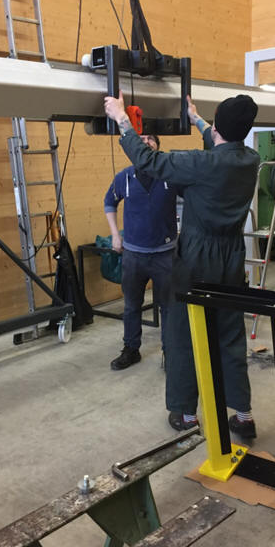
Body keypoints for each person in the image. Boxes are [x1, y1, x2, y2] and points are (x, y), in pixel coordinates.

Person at [104, 91, 260, 438]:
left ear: (218, 127)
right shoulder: (250, 159)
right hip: (232, 257)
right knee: (230, 333)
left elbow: (149, 161)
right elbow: (220, 142)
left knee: (183, 335)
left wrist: (122, 120)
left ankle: (186, 415)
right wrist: (196, 118)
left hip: (197, 259)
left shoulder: (200, 164)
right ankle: (244, 416)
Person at [104, 133, 178, 371]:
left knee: (168, 306)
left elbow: (193, 199)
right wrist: (115, 235)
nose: (146, 142)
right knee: (131, 305)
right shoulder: (124, 177)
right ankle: (131, 349)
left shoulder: (170, 175)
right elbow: (109, 202)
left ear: (158, 147)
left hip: (165, 255)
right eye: (141, 139)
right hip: (133, 255)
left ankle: (170, 352)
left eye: (151, 139)